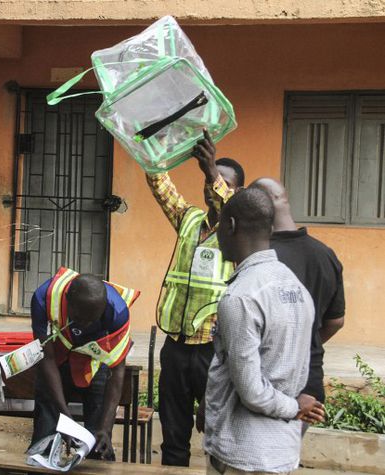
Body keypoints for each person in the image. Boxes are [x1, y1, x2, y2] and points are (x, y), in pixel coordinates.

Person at [203, 187, 324, 474]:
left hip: (243, 456)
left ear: (230, 226)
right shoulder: (295, 286)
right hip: (282, 452)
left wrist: (294, 407)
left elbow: (252, 392)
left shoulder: (241, 297)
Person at [144, 130, 244, 466]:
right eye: (208, 179)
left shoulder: (239, 233)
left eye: (219, 180)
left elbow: (233, 209)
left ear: (236, 191)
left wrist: (210, 169)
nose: (210, 184)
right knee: (173, 435)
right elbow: (160, 185)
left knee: (217, 436)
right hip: (175, 346)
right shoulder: (188, 220)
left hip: (213, 351)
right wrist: (153, 143)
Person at [250, 177, 345, 425]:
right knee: (286, 457)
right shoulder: (326, 255)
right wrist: (302, 342)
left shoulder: (258, 256)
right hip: (310, 381)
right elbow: (336, 321)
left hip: (267, 380)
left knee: (259, 460)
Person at [29, 268, 140, 460]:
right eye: (80, 318)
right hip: (57, 360)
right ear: (67, 301)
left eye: (93, 319)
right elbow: (46, 358)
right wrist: (66, 418)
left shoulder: (118, 312)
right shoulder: (43, 298)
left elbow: (117, 370)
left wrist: (105, 428)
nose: (86, 324)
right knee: (45, 432)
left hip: (94, 364)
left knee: (97, 443)